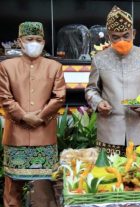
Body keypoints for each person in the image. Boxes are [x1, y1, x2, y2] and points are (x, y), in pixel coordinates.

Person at [0, 21, 66, 207]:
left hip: (44, 134)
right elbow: (4, 98)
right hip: (16, 136)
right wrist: (24, 116)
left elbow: (59, 97)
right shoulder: (6, 66)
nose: (34, 43)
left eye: (38, 40)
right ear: (20, 41)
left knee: (43, 186)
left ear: (44, 42)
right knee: (12, 186)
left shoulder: (54, 66)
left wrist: (40, 116)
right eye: (29, 39)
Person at [85, 6, 140, 156]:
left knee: (137, 175)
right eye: (115, 37)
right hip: (109, 131)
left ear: (133, 33)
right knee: (110, 174)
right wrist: (98, 103)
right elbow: (91, 90)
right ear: (108, 36)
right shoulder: (99, 59)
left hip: (139, 129)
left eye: (126, 36)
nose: (121, 41)